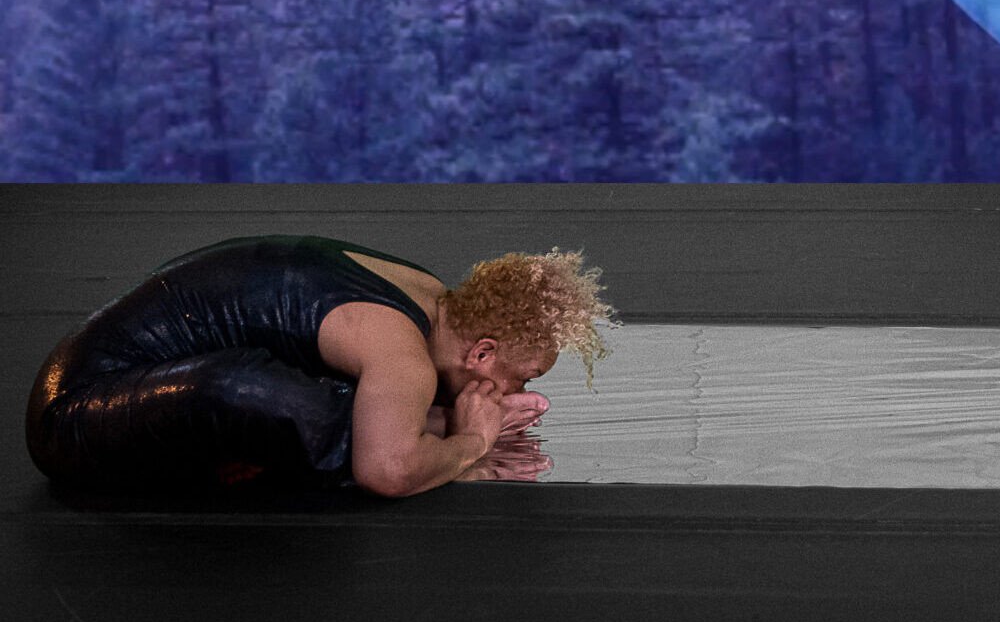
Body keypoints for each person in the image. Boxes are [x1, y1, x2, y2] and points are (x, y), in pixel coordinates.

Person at [25, 235, 614, 496]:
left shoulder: (433, 295)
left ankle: (411, 425)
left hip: (113, 378)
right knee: (249, 391)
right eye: (522, 376)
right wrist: (472, 442)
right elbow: (387, 475)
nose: (514, 388)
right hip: (76, 417)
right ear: (482, 352)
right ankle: (424, 431)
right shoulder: (402, 351)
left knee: (292, 388)